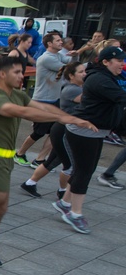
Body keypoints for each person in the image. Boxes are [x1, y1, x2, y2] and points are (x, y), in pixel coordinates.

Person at [0, 56, 95, 266]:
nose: (22, 76)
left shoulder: (16, 94)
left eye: (21, 72)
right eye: (17, 72)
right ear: (2, 74)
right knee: (0, 207)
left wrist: (65, 115)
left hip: (5, 159)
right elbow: (25, 112)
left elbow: (42, 107)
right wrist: (67, 119)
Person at [54, 45, 126, 234]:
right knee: (85, 171)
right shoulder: (100, 80)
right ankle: (75, 214)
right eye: (119, 61)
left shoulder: (108, 77)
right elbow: (122, 98)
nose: (122, 64)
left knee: (83, 169)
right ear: (105, 62)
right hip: (83, 132)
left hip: (94, 131)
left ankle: (65, 202)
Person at [21, 61, 86, 199]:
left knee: (53, 161)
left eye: (84, 71)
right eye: (81, 72)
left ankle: (30, 183)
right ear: (71, 75)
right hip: (63, 131)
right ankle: (63, 193)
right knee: (70, 166)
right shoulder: (73, 89)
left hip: (63, 130)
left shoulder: (76, 87)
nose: (84, 74)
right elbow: (92, 100)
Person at [14, 32, 73, 166]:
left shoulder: (58, 55)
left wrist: (78, 54)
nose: (61, 42)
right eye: (58, 41)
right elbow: (69, 68)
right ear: (49, 44)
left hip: (55, 99)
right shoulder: (46, 58)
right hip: (43, 101)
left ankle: (40, 159)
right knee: (39, 132)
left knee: (55, 132)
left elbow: (71, 62)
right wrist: (83, 51)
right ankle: (19, 153)